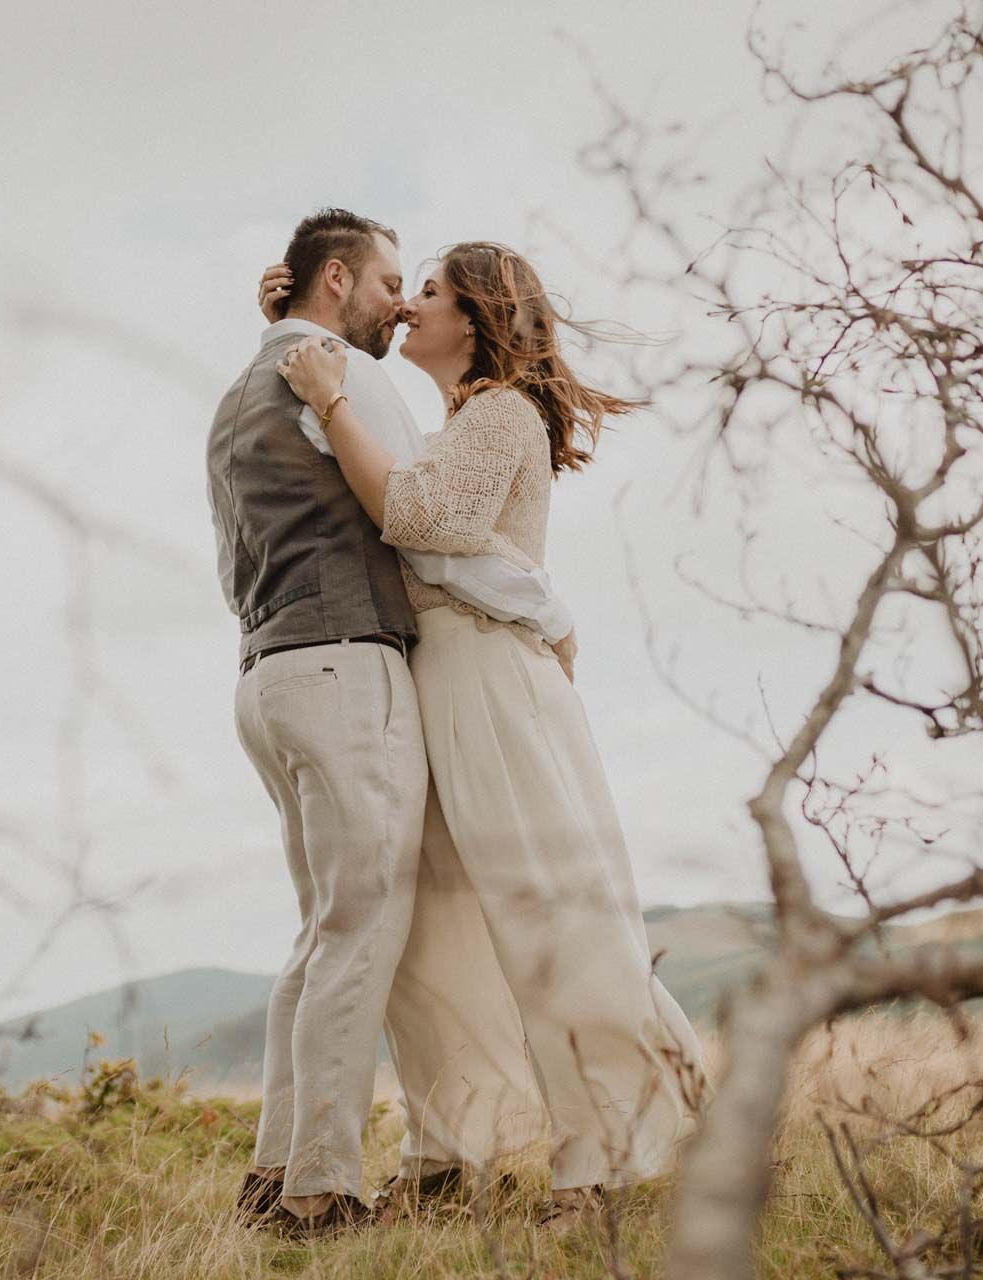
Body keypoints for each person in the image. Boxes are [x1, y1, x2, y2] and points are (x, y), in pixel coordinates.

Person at [264, 240, 707, 1229]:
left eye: (429, 291)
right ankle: (445, 1151)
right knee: (432, 924)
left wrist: (331, 395)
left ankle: (593, 1168)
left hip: (494, 685)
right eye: (407, 286)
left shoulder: (501, 412)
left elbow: (423, 519)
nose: (411, 304)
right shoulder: (461, 419)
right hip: (441, 677)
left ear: (476, 316)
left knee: (544, 910)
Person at [205, 209, 576, 1238]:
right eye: (388, 283)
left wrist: (279, 318)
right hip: (343, 667)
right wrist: (550, 611)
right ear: (337, 281)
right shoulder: (346, 374)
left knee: (323, 930)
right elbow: (424, 517)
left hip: (265, 674)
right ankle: (321, 1190)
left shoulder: (239, 392)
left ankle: (274, 1170)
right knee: (363, 929)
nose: (399, 305)